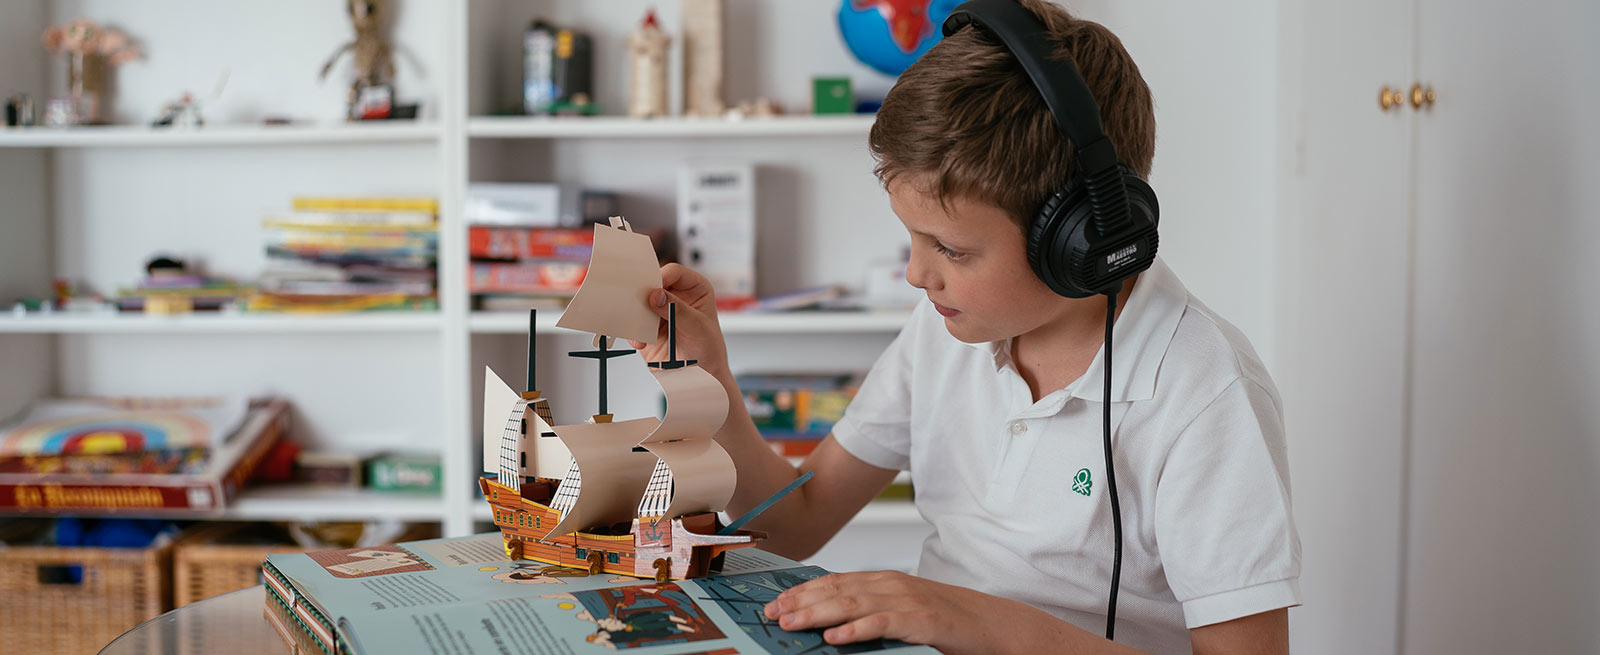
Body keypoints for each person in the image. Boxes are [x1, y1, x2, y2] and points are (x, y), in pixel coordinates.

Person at [630, 1, 1299, 652]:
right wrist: (705, 383)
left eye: (951, 249)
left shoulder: (1203, 392)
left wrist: (974, 619)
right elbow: (793, 525)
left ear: (1085, 240)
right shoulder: (945, 330)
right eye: (911, 240)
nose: (917, 275)